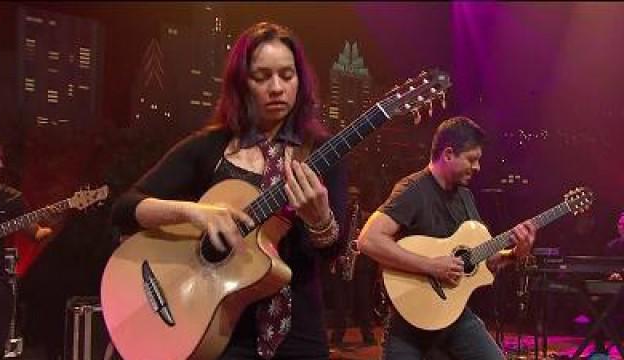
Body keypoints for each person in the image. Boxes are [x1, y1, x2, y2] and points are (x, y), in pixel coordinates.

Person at [111, 22, 347, 360]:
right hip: (216, 328)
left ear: (301, 80)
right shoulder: (210, 146)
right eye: (261, 76)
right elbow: (124, 209)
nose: (277, 87)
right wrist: (195, 213)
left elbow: (331, 253)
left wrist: (321, 221)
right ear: (241, 83)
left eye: (287, 74)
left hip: (298, 334)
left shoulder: (323, 153)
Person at [357, 117, 537, 360]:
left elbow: (485, 261)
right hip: (409, 323)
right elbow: (368, 240)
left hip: (455, 316)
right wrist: (431, 265)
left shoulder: (465, 197)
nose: (478, 167)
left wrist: (515, 253)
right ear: (449, 154)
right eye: (472, 159)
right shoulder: (413, 189)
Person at [0, 136, 52, 360]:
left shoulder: (10, 197)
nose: (0, 165)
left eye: (1, 159)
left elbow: (35, 232)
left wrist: (51, 223)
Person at [328, 186, 377, 348]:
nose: (352, 199)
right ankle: (337, 336)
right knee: (340, 303)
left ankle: (368, 335)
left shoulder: (366, 217)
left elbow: (374, 239)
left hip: (361, 264)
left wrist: (361, 233)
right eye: (350, 196)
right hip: (343, 262)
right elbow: (332, 238)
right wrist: (338, 255)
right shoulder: (339, 216)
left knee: (364, 301)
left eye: (355, 196)